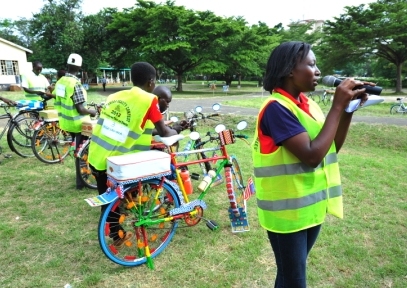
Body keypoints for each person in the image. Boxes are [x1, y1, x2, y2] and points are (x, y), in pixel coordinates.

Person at [252, 41, 373, 287]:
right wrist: (337, 105)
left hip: (309, 209)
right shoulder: (277, 109)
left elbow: (331, 147)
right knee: (295, 280)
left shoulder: (309, 105)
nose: (318, 71)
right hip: (287, 214)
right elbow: (311, 156)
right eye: (311, 64)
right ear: (289, 70)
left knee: (288, 276)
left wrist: (347, 110)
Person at [88, 61, 177, 248]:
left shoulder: (115, 95)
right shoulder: (148, 100)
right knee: (121, 198)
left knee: (107, 198)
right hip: (117, 160)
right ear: (151, 82)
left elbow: (128, 126)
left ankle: (115, 234)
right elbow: (164, 132)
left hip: (97, 153)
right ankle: (120, 231)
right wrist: (176, 132)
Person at [53, 53, 96, 190]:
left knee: (78, 151)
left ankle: (82, 177)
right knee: (82, 152)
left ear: (67, 65)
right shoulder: (75, 84)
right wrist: (92, 111)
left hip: (66, 122)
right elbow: (80, 109)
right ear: (80, 67)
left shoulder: (60, 81)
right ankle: (80, 182)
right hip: (79, 124)